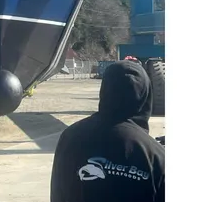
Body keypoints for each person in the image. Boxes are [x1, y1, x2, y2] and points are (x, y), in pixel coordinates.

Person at [50, 58, 165, 202]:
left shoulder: (70, 136)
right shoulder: (154, 153)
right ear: (145, 95)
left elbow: (58, 191)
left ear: (105, 90)